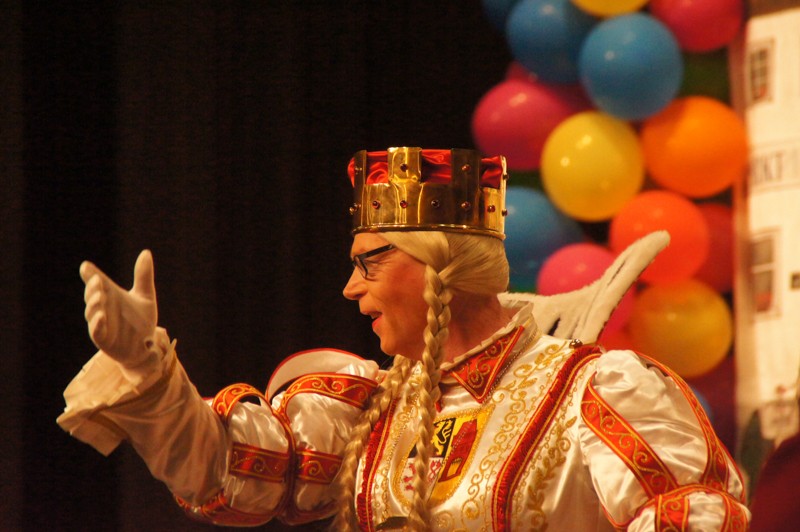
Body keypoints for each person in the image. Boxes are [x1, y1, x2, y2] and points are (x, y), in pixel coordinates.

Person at [59, 147, 750, 530]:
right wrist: (145, 364)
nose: (349, 289)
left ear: (439, 266)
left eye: (369, 262)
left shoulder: (595, 392)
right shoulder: (368, 408)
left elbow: (691, 517)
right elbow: (233, 469)